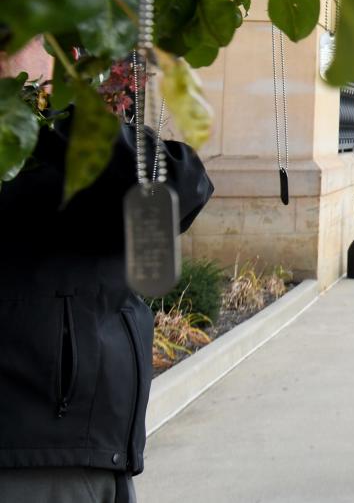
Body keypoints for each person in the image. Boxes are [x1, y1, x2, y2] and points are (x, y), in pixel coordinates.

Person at [0, 45, 214, 503]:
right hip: (33, 453)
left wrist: (54, 107)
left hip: (95, 448)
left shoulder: (64, 135)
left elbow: (181, 187)